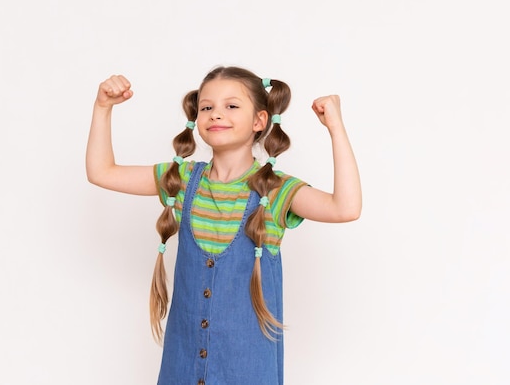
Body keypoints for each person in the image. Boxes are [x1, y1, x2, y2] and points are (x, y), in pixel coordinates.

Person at [86, 66, 361, 385]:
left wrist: (335, 128)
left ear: (260, 121)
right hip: (182, 369)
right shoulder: (182, 180)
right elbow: (101, 171)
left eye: (231, 106)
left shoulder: (274, 191)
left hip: (247, 371)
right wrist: (103, 107)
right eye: (207, 107)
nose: (216, 114)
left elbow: (346, 208)